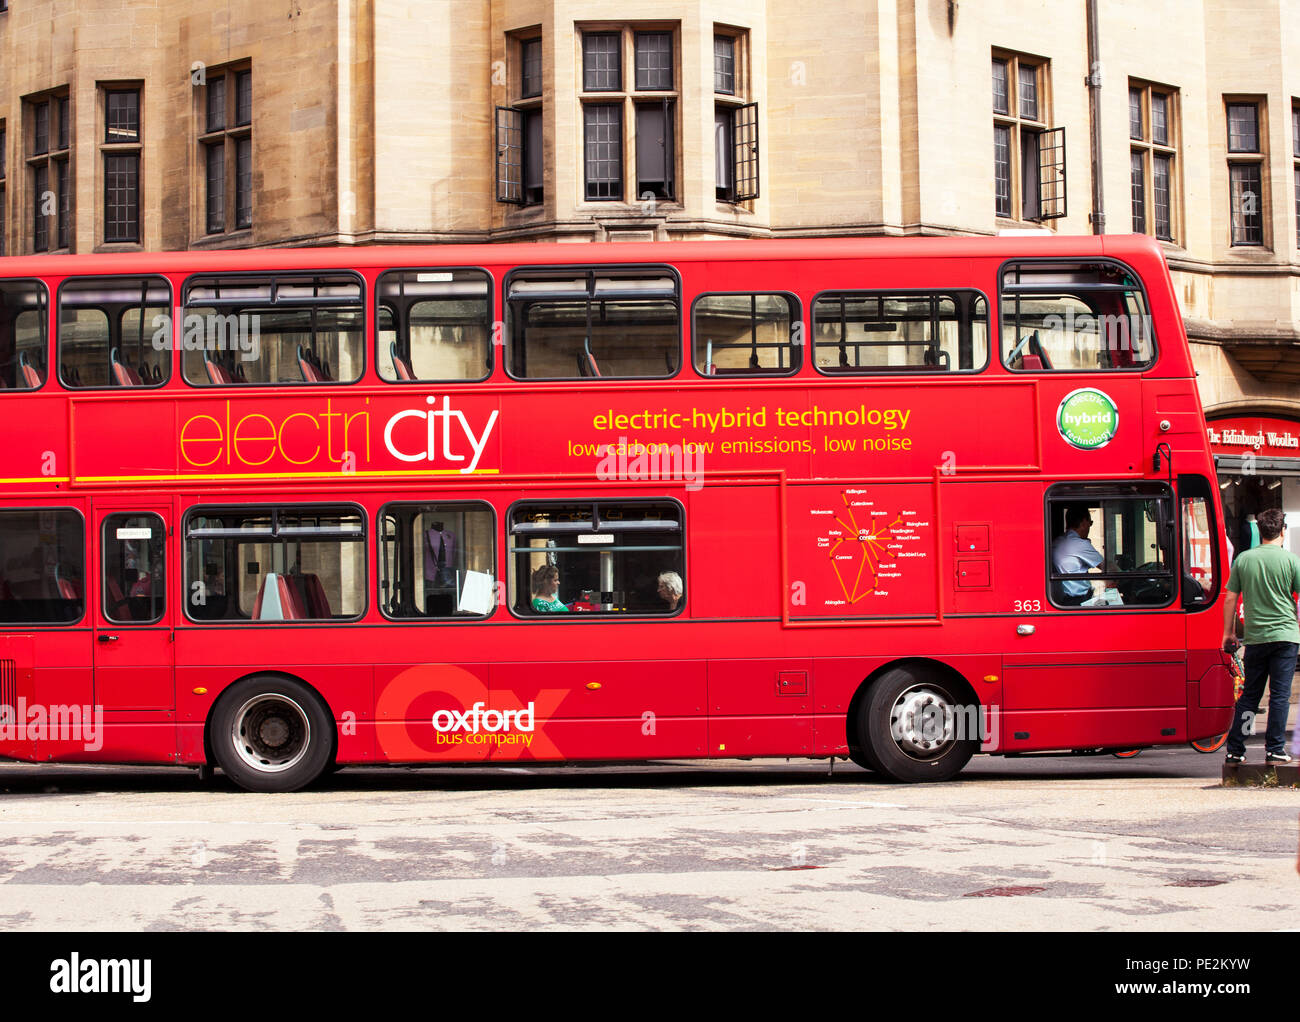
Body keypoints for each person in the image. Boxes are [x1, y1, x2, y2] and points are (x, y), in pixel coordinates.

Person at [1221, 508, 1300, 765]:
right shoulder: (1291, 561)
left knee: (1251, 695)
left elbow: (1230, 598)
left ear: (1260, 531)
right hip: (1286, 637)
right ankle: (1275, 748)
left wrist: (1229, 633)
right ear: (1282, 531)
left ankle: (1235, 748)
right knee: (1279, 695)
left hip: (1255, 638)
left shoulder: (1244, 559)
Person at [1051, 505, 1103, 606]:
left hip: (1065, 599)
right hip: (1079, 600)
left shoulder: (1058, 541)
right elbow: (1108, 567)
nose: (1089, 528)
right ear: (1083, 522)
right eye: (1090, 523)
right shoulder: (1079, 543)